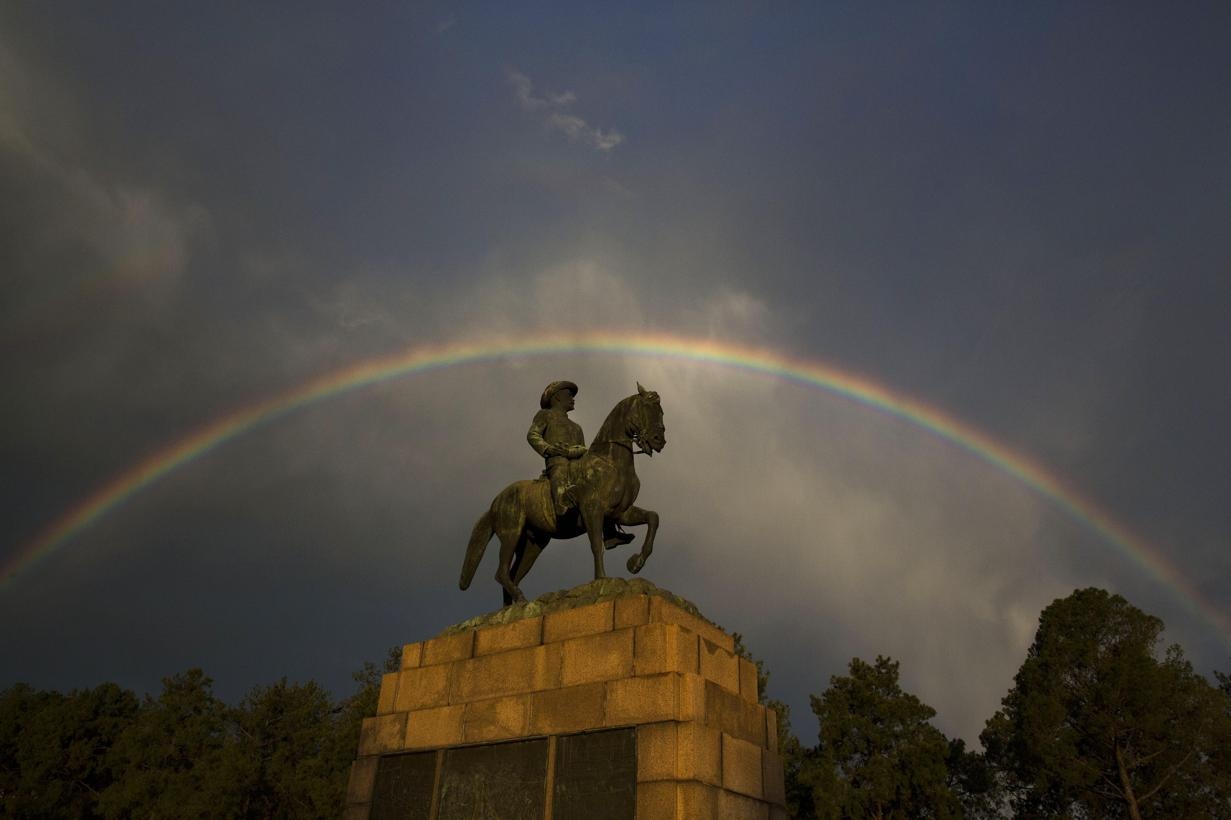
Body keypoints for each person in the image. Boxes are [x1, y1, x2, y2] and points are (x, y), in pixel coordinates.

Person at [527, 381, 635, 547]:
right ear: (557, 397)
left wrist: (574, 452)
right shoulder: (545, 415)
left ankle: (610, 532)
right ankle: (561, 504)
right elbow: (533, 435)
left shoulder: (576, 427)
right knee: (560, 473)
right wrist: (549, 449)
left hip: (577, 464)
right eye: (569, 395)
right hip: (557, 462)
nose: (573, 398)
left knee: (598, 486)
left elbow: (583, 449)